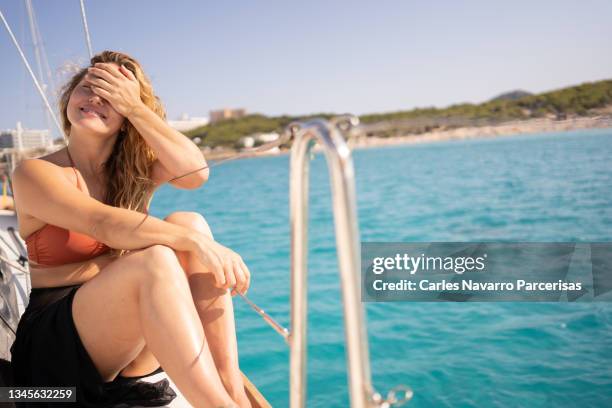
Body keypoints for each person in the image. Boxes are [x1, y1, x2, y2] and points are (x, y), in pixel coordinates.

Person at [9, 50, 252, 408]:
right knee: (161, 254)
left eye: (112, 94)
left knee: (189, 221)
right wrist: (194, 244)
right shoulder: (35, 173)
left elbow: (196, 173)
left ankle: (230, 387)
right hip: (54, 351)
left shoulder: (132, 171)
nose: (95, 98)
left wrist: (137, 109)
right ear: (68, 101)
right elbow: (102, 222)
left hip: (123, 346)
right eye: (89, 87)